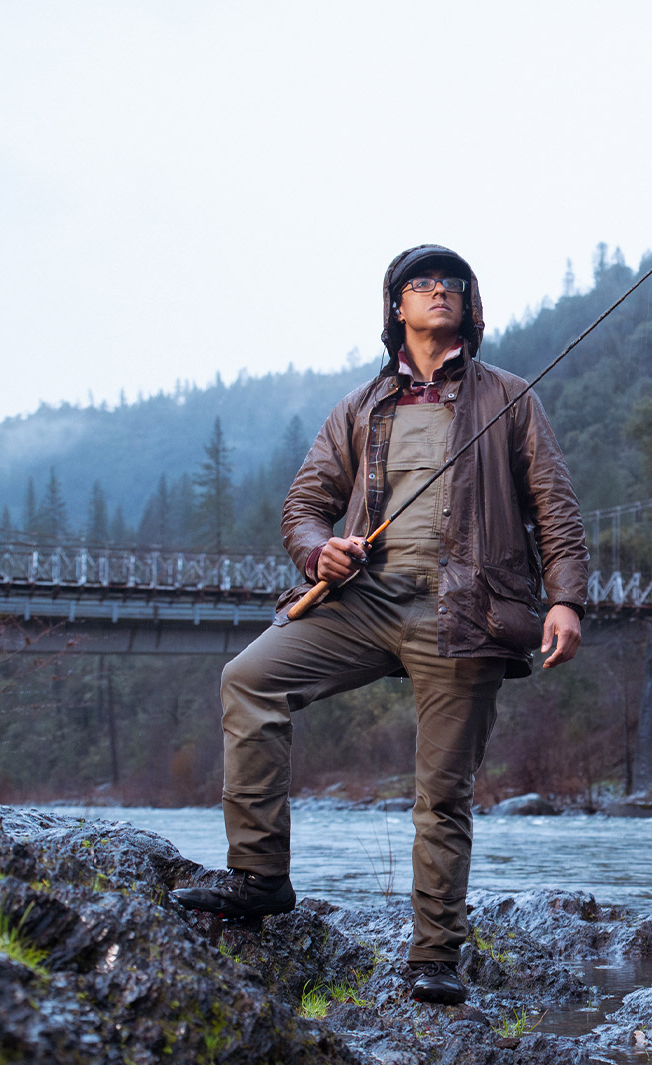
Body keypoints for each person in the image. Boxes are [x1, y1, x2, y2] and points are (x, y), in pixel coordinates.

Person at [173, 244, 588, 1006]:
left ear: (470, 306)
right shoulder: (360, 408)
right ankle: (260, 876)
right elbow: (303, 507)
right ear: (397, 307)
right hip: (362, 603)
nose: (439, 291)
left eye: (452, 284)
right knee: (249, 679)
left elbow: (555, 507)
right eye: (422, 284)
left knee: (444, 791)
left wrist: (565, 598)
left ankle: (434, 957)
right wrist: (316, 550)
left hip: (466, 612)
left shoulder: (511, 398)